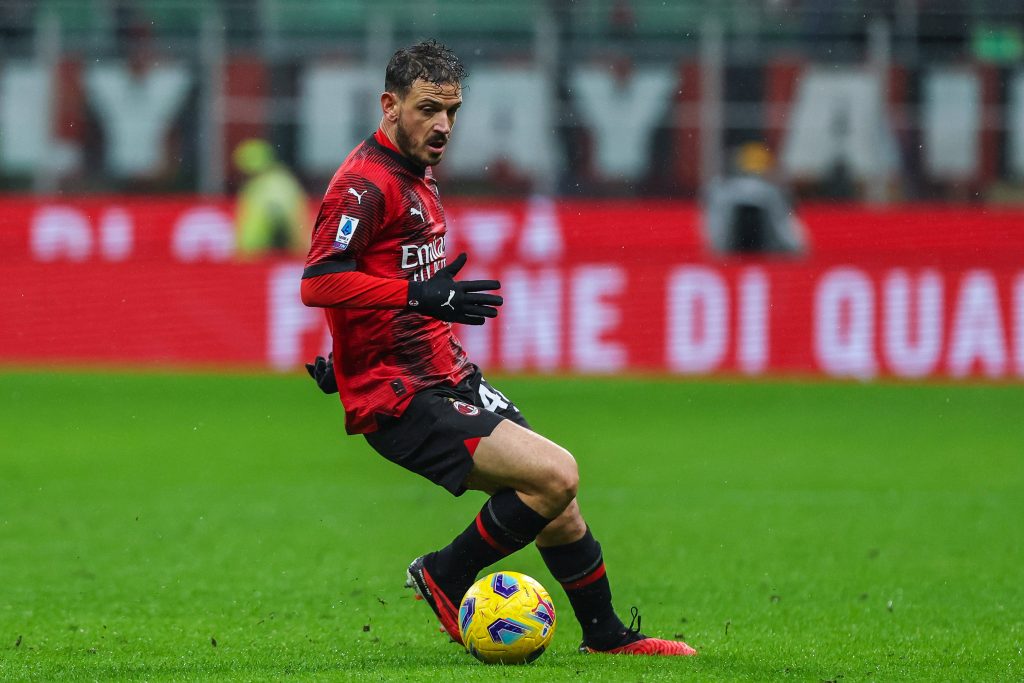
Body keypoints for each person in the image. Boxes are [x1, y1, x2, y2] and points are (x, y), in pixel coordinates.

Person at [300, 40, 696, 657]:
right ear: (389, 105)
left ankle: (606, 638)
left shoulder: (414, 171)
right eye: (428, 109)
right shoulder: (364, 185)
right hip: (403, 395)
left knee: (556, 502)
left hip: (446, 373)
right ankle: (444, 574)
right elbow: (320, 281)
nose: (443, 125)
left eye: (452, 111)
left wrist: (350, 353)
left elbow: (374, 279)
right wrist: (415, 300)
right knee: (556, 475)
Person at [702, 142, 807, 254]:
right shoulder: (771, 192)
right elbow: (785, 231)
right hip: (768, 250)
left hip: (730, 249)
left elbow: (714, 229)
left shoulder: (722, 189)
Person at [233, 138, 309, 258]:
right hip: (261, 253)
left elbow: (279, 218)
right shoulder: (278, 181)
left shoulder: (268, 184)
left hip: (261, 253)